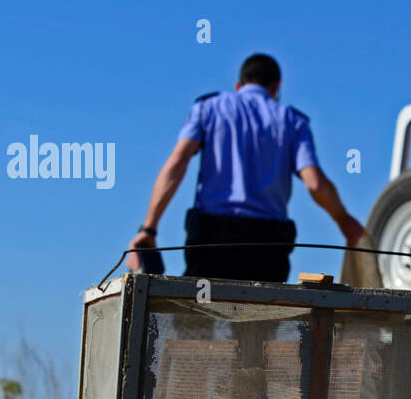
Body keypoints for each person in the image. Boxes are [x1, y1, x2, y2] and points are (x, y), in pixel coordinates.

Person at [127, 53, 365, 282]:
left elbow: (177, 163)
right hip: (267, 245)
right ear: (276, 87)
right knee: (262, 316)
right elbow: (315, 184)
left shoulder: (208, 108)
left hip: (212, 238)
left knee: (197, 315)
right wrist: (344, 221)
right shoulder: (294, 122)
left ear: (238, 86)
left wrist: (149, 228)